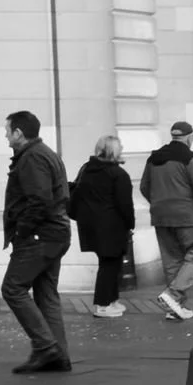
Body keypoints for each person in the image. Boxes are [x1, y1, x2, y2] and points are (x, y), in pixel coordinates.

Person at [1, 110, 73, 372]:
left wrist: (22, 230)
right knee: (46, 294)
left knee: (13, 288)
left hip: (40, 235)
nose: (5, 136)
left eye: (7, 131)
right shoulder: (43, 153)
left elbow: (39, 200)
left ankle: (46, 347)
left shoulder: (32, 158)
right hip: (53, 234)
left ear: (19, 132)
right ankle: (58, 356)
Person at [141, 121, 193, 321]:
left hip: (160, 215)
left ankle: (175, 307)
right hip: (186, 214)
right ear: (188, 137)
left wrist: (158, 203)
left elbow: (144, 186)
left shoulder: (154, 158)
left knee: (172, 260)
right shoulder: (190, 157)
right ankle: (173, 296)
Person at [69, 134, 136, 318]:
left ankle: (112, 300)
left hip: (90, 224)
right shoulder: (118, 174)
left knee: (109, 263)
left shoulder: (87, 169)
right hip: (112, 225)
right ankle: (103, 304)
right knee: (109, 266)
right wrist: (130, 224)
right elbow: (125, 205)